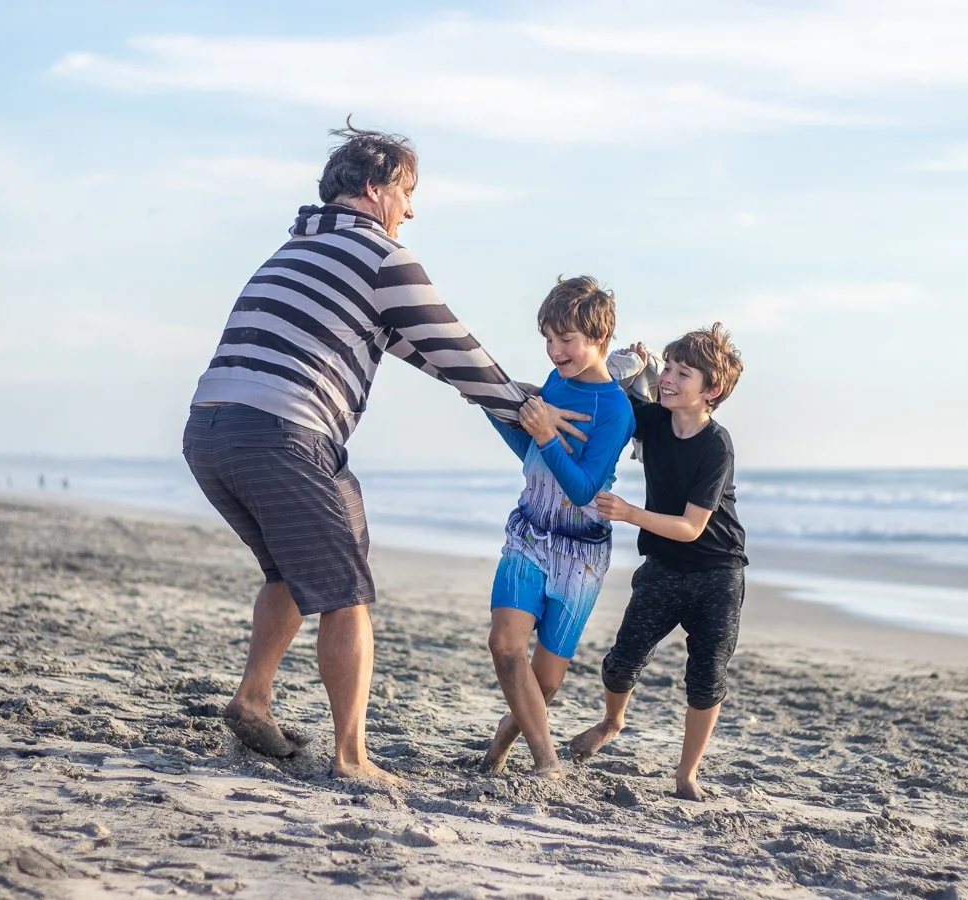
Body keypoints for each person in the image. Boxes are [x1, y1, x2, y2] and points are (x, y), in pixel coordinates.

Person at [182, 122, 589, 784]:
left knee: (293, 566)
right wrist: (529, 407)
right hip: (281, 431)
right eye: (406, 191)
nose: (411, 209)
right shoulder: (379, 257)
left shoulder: (295, 251)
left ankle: (253, 698)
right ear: (374, 189)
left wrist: (512, 394)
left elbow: (419, 350)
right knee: (346, 593)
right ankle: (352, 758)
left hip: (210, 429)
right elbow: (452, 347)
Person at [569, 324, 746, 801]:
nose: (669, 379)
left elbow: (692, 527)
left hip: (717, 573)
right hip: (663, 568)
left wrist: (629, 513)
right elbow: (606, 393)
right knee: (620, 662)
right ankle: (612, 722)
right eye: (667, 368)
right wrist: (635, 365)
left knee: (706, 677)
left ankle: (687, 774)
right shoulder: (650, 421)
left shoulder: (716, 446)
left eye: (682, 373)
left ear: (712, 390)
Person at [479, 277, 635, 778]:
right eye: (548, 338)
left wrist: (545, 431)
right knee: (505, 645)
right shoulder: (553, 385)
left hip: (581, 555)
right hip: (530, 533)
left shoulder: (615, 410)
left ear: (598, 338)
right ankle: (547, 763)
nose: (554, 350)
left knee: (544, 684)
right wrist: (497, 409)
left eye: (565, 340)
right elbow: (534, 458)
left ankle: (495, 755)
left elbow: (585, 489)